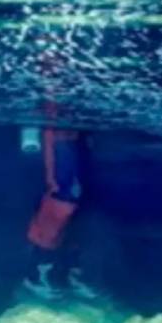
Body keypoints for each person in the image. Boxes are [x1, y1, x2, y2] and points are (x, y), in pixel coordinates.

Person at [20, 38, 100, 300]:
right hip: (57, 131)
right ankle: (38, 268)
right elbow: (36, 97)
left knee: (81, 197)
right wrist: (30, 134)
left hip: (74, 129)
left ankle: (66, 270)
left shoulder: (78, 66)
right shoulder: (46, 72)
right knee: (65, 195)